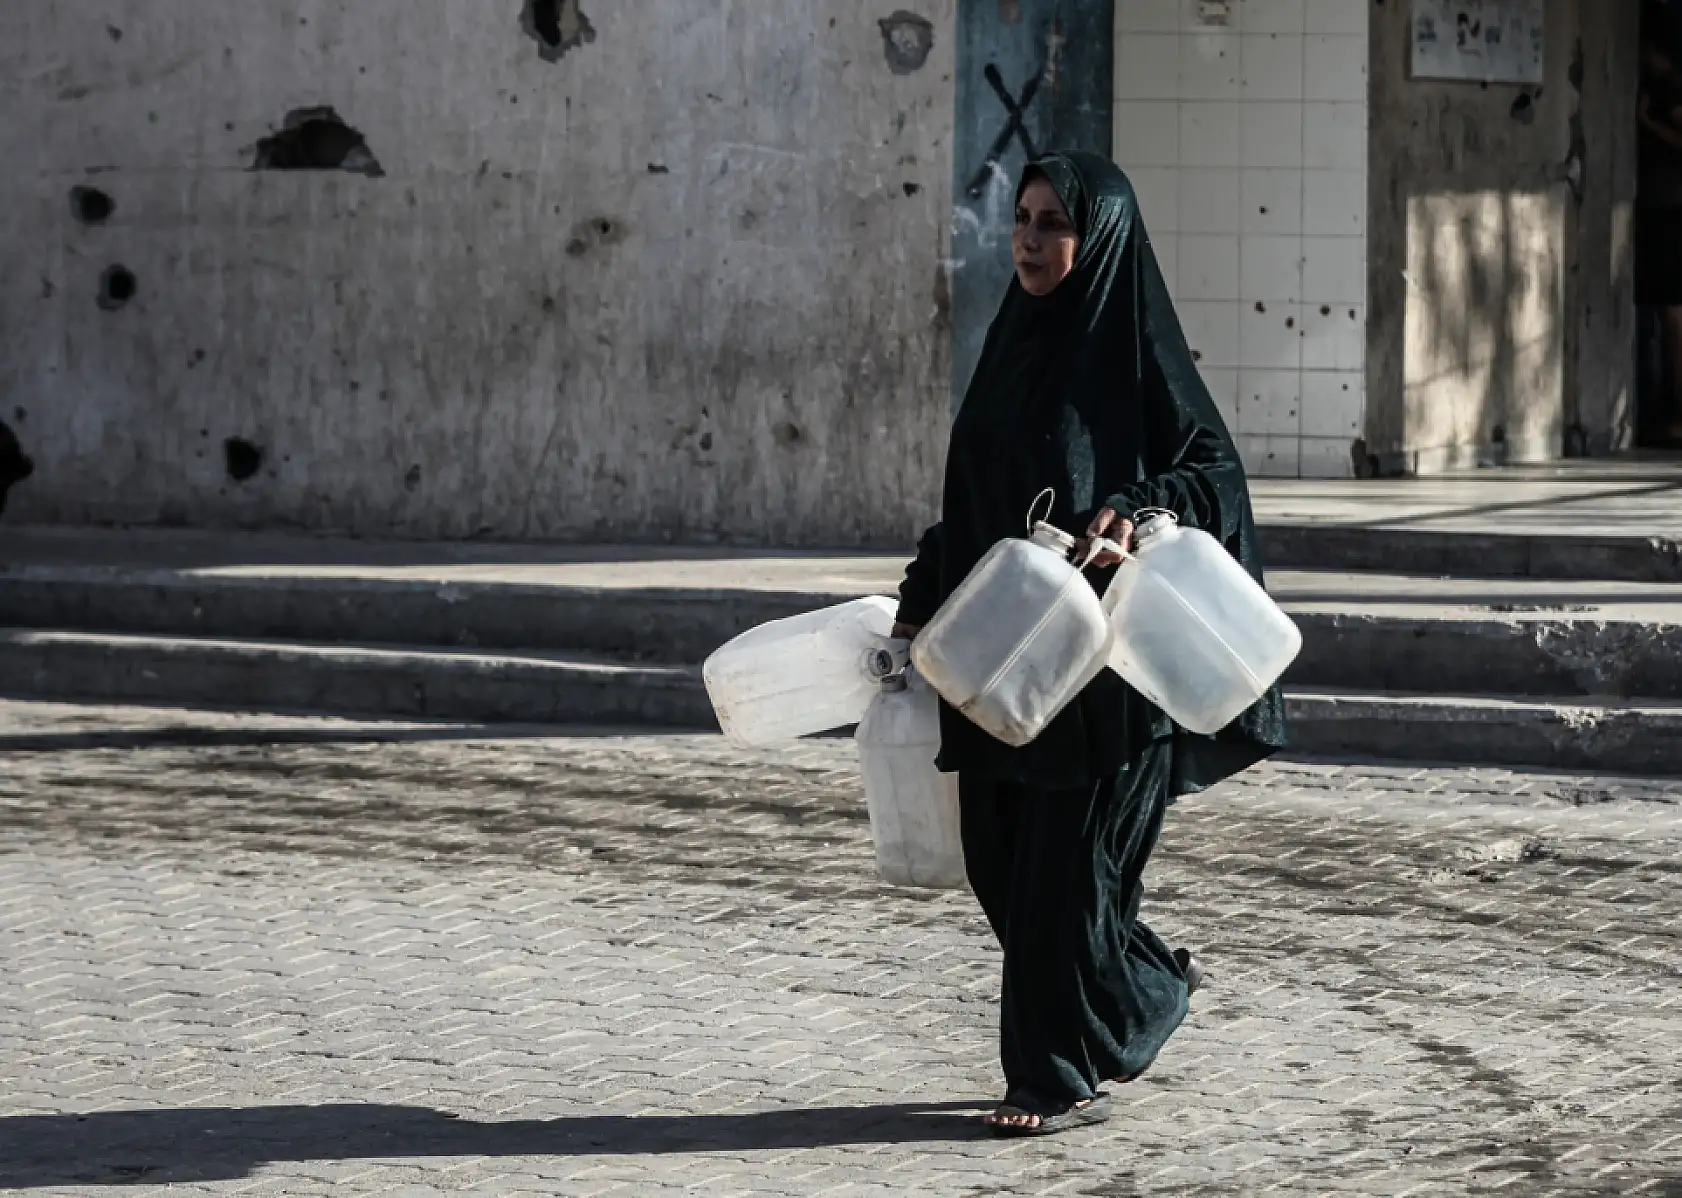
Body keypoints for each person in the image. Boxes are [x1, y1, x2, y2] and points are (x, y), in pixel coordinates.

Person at [891, 151, 1287, 1136]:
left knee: (1057, 889)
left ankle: (1048, 1075)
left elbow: (1214, 474)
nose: (1027, 239)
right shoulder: (1011, 345)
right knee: (998, 863)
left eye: (1051, 223)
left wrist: (1134, 505)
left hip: (1103, 675)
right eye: (1022, 220)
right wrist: (912, 604)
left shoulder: (1135, 354)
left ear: (1097, 237)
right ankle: (1146, 989)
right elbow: (967, 507)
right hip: (997, 657)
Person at [1640, 0, 1682, 446]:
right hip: (1664, 208)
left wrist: (1648, 123)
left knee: (1673, 316)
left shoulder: (1668, 88)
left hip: (1671, 209)